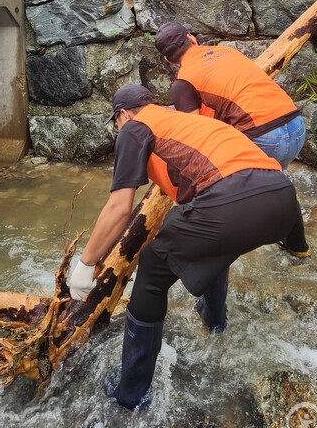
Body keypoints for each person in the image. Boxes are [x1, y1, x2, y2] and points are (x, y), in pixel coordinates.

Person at [68, 84, 300, 411]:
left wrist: (86, 264)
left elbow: (120, 207)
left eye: (116, 123)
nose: (119, 129)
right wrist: (297, 244)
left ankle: (131, 395)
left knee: (151, 269)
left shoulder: (134, 128)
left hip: (229, 203)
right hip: (283, 198)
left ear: (122, 115)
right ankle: (214, 322)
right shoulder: (191, 123)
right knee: (215, 241)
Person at [153, 22, 309, 256]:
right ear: (192, 38)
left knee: (228, 201)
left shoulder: (183, 82)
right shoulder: (228, 52)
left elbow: (194, 134)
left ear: (169, 60)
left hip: (265, 138)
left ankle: (222, 261)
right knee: (279, 181)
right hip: (296, 127)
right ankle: (298, 247)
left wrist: (184, 188)